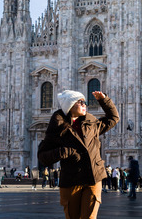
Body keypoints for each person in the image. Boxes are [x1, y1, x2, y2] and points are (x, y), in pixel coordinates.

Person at [37, 89, 119, 219]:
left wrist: (104, 100)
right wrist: (64, 152)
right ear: (70, 105)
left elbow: (113, 118)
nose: (84, 105)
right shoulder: (57, 128)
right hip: (72, 180)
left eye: (85, 102)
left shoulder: (91, 123)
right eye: (80, 102)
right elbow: (43, 157)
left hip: (93, 177)